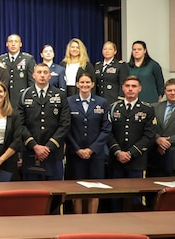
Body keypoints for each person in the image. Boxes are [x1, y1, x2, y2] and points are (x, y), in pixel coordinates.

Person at [107, 76, 155, 210]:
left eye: (134, 86)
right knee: (115, 196)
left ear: (140, 89)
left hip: (137, 160)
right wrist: (117, 152)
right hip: (116, 159)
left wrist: (131, 153)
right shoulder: (113, 107)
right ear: (122, 88)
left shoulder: (147, 109)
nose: (130, 89)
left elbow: (149, 135)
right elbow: (107, 132)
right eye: (127, 86)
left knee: (136, 196)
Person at [65, 72, 110, 214]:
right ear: (77, 84)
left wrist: (92, 149)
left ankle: (93, 219)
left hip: (95, 154)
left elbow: (106, 129)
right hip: (75, 153)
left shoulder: (102, 102)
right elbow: (66, 128)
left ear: (92, 84)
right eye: (82, 82)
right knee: (77, 189)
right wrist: (77, 149)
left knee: (94, 188)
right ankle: (78, 220)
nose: (85, 85)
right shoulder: (69, 101)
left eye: (87, 82)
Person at [18, 63, 70, 182]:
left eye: (45, 73)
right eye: (39, 72)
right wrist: (34, 146)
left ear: (50, 76)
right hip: (31, 150)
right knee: (31, 193)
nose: (42, 75)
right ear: (34, 75)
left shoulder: (60, 95)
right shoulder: (24, 94)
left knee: (56, 192)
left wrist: (48, 147)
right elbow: (20, 124)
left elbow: (65, 124)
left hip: (53, 151)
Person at [151, 78, 175, 176]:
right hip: (157, 159)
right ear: (165, 92)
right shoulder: (153, 107)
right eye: (169, 90)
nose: (172, 93)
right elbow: (147, 128)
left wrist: (167, 141)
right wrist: (157, 139)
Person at [0, 34, 36, 108]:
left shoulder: (28, 59)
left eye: (16, 41)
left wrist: (31, 97)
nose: (13, 44)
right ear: (6, 44)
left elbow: (32, 81)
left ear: (20, 44)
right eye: (10, 41)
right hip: (4, 99)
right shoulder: (0, 59)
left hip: (21, 98)